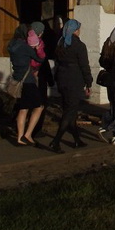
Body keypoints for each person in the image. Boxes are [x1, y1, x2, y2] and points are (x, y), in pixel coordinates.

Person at [48, 19, 93, 153]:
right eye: (78, 29)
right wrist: (89, 82)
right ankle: (56, 141)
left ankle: (77, 140)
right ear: (75, 31)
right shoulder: (79, 46)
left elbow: (57, 62)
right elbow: (84, 66)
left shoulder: (60, 43)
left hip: (62, 79)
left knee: (70, 110)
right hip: (74, 80)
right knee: (69, 111)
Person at [8, 24, 44, 146]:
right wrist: (38, 48)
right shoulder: (25, 47)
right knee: (39, 107)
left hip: (18, 78)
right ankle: (27, 134)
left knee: (23, 109)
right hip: (28, 80)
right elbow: (40, 59)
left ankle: (19, 137)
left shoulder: (11, 45)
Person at [29, 20, 52, 139]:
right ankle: (36, 130)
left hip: (27, 77)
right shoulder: (40, 45)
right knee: (40, 104)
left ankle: (23, 129)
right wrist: (50, 80)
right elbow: (44, 63)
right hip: (39, 78)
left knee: (28, 104)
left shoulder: (25, 43)